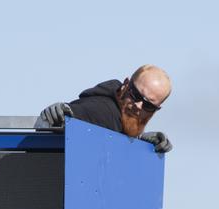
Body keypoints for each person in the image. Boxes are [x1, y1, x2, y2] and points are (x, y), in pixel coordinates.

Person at [36, 65, 173, 153]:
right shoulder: (104, 110)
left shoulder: (120, 119)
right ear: (126, 85)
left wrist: (141, 143)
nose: (138, 106)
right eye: (136, 95)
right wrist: (61, 115)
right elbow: (81, 114)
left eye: (148, 105)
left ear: (156, 109)